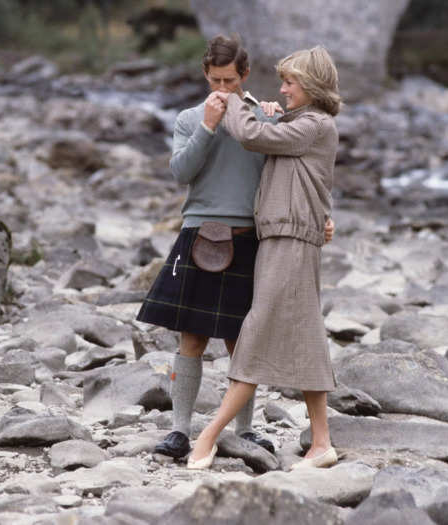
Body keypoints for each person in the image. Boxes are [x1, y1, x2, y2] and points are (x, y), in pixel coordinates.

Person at [136, 35, 334, 459]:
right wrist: (208, 126)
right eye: (214, 80)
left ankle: (244, 432)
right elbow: (180, 172)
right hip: (199, 230)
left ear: (244, 75)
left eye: (229, 80)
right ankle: (179, 430)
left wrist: (321, 215)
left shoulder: (267, 119)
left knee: (243, 340)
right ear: (205, 76)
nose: (221, 89)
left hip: (251, 237)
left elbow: (295, 175)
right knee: (190, 338)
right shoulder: (190, 118)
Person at [186, 46, 341, 470]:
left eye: (290, 82)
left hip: (290, 238)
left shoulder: (315, 124)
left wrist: (235, 102)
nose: (284, 89)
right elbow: (271, 130)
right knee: (306, 333)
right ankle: (322, 442)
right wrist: (257, 105)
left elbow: (254, 136)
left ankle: (208, 435)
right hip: (282, 236)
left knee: (254, 332)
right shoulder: (304, 122)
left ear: (310, 85)